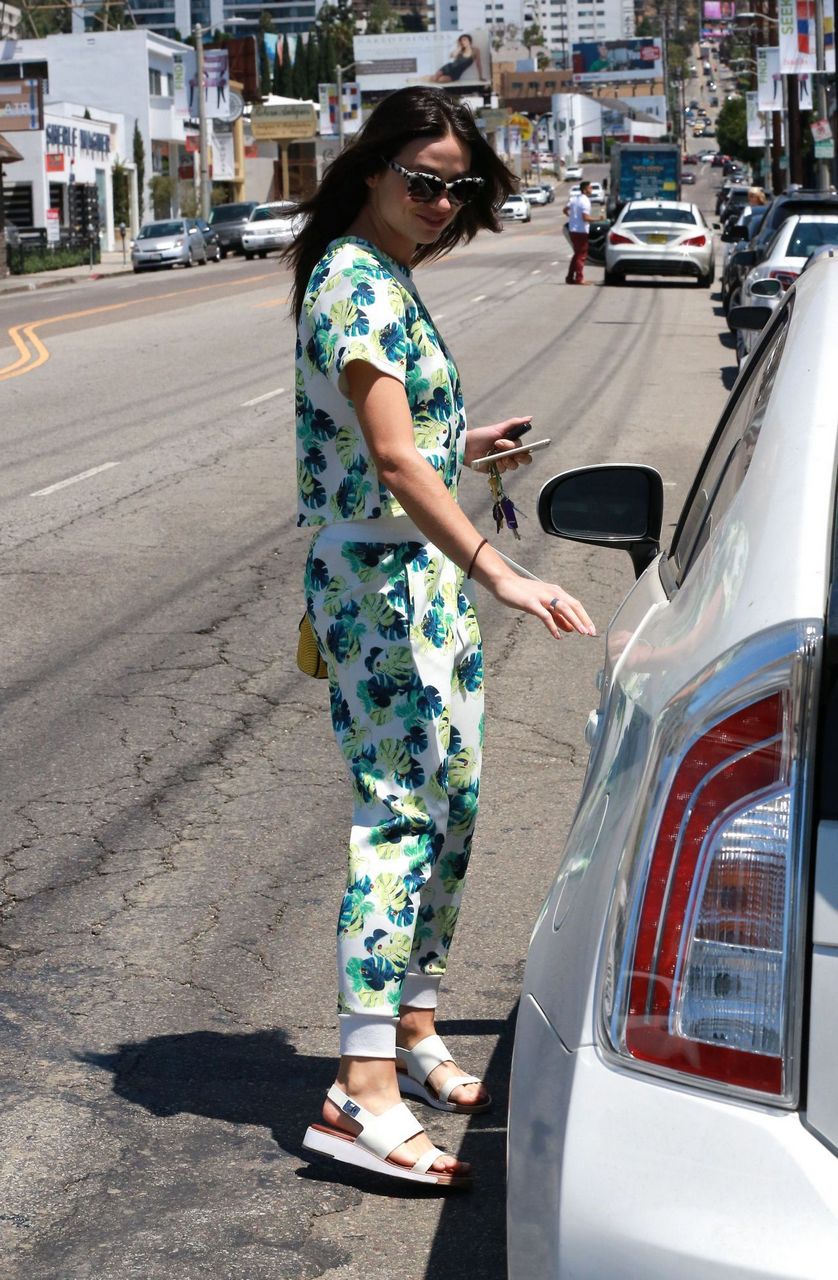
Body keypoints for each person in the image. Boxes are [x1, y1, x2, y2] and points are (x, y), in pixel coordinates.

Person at [284, 86, 595, 1190]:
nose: (440, 202)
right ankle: (358, 1089)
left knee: (452, 803)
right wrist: (499, 566)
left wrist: (470, 444)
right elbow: (393, 465)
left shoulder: (393, 281)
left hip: (410, 571)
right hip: (379, 583)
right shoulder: (353, 285)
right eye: (422, 179)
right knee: (398, 813)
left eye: (456, 187)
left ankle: (413, 1028)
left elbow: (414, 447)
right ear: (371, 170)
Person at [564, 179, 594, 285]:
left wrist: (572, 217)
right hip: (581, 231)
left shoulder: (574, 199)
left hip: (573, 230)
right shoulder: (585, 201)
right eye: (590, 187)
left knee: (577, 254)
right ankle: (579, 278)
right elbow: (585, 218)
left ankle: (570, 277)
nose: (592, 189)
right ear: (585, 190)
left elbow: (565, 210)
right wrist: (598, 219)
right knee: (581, 255)